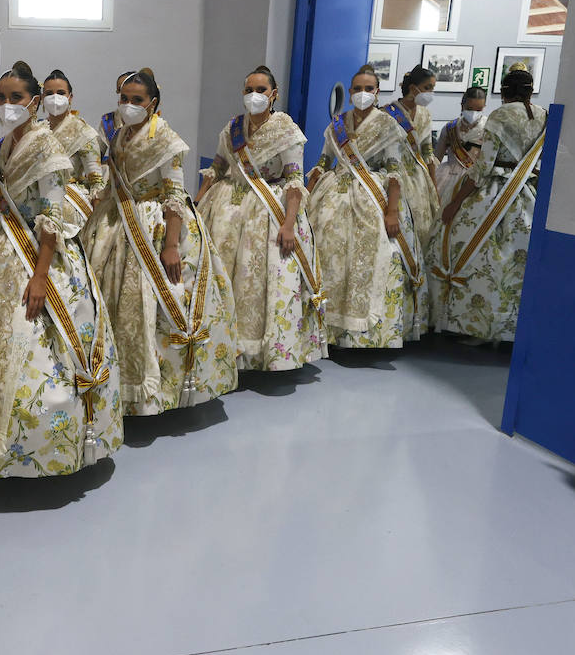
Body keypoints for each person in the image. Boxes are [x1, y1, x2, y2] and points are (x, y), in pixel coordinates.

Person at [0, 61, 121, 478]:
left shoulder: (48, 148)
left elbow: (51, 215)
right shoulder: (1, 147)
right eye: (0, 97)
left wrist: (40, 276)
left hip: (37, 256)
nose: (6, 105)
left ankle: (31, 448)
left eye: (15, 98)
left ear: (33, 102)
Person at [84, 68, 238, 413]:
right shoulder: (119, 135)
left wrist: (170, 246)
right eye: (124, 99)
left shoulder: (167, 140)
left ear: (153, 103)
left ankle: (158, 393)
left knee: (157, 302)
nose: (128, 105)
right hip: (116, 223)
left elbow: (174, 194)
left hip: (154, 227)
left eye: (136, 100)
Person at [196, 65, 325, 371]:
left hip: (268, 212)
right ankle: (224, 346)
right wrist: (198, 202)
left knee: (258, 281)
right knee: (224, 275)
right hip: (226, 208)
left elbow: (295, 181)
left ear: (273, 94)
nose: (254, 96)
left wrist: (289, 224)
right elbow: (216, 168)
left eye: (261, 90)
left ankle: (260, 351)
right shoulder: (232, 128)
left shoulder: (286, 130)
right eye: (249, 90)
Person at [306, 65, 424, 348]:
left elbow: (394, 170)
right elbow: (323, 163)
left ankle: (364, 335)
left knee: (372, 257)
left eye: (368, 89)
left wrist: (392, 210)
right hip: (335, 193)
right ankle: (327, 330)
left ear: (377, 92)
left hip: (374, 198)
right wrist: (307, 192)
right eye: (356, 89)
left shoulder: (387, 124)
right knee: (328, 255)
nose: (361, 94)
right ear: (350, 91)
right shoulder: (337, 123)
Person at [432, 67, 547, 343]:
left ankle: (474, 325)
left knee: (469, 250)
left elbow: (483, 166)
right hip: (529, 193)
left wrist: (455, 202)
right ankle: (512, 328)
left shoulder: (500, 115)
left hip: (495, 192)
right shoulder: (544, 114)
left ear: (504, 92)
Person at [379, 64, 441, 333]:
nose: (430, 94)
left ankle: (417, 305)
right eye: (428, 88)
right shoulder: (387, 114)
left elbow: (427, 151)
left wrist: (433, 185)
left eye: (432, 89)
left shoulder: (425, 114)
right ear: (414, 88)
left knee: (422, 235)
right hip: (393, 175)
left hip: (417, 178)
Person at [41, 69, 106, 220]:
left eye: (61, 93)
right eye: (49, 93)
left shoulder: (83, 132)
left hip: (68, 201)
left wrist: (95, 225)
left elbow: (96, 182)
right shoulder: (37, 130)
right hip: (36, 197)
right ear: (42, 97)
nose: (55, 97)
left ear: (70, 97)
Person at [434, 86, 488, 208]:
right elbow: (437, 158)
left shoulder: (489, 128)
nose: (474, 113)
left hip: (475, 179)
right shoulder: (450, 128)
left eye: (479, 109)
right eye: (469, 108)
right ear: (462, 106)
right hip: (448, 177)